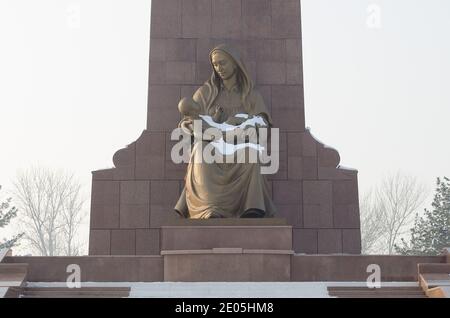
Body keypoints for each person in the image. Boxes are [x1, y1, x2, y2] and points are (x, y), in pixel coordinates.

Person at [174, 44, 277, 219]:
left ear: (235, 64)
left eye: (223, 63)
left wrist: (247, 128)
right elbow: (188, 121)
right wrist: (204, 129)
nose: (218, 68)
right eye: (215, 64)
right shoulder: (205, 93)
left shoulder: (251, 96)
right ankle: (209, 209)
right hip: (211, 145)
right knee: (200, 151)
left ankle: (251, 207)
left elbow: (263, 123)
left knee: (251, 153)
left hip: (239, 144)